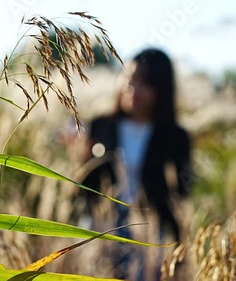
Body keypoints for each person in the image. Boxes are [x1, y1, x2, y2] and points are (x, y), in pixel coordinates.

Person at [79, 48, 192, 280]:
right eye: (130, 79)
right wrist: (78, 155)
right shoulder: (100, 125)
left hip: (149, 228)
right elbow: (84, 183)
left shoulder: (175, 137)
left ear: (161, 90)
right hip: (103, 224)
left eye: (144, 83)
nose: (133, 90)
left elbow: (180, 191)